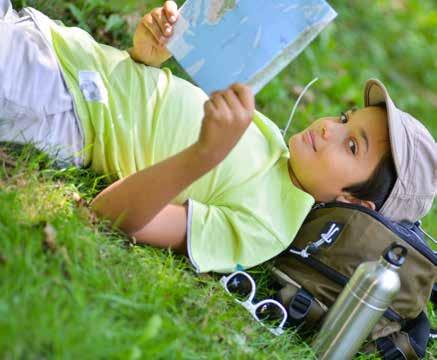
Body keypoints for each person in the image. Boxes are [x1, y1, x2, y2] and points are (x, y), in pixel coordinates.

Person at [1, 1, 435, 273]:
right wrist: (147, 59)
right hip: (59, 45)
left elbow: (109, 216)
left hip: (58, 103)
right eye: (344, 118)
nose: (328, 127)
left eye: (351, 145)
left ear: (354, 203)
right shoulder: (272, 142)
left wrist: (205, 154)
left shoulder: (268, 226)